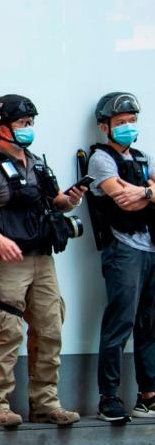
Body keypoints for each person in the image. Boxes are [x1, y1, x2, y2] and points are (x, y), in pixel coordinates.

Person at [0, 95, 84, 428]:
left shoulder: (38, 164)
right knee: (7, 332)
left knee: (50, 329)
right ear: (1, 129)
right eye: (22, 123)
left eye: (31, 123)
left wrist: (69, 200)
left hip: (42, 259)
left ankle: (46, 404)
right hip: (8, 261)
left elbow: (52, 204)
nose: (28, 129)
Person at [85, 91, 155, 423]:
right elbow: (123, 201)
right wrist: (148, 194)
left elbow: (135, 196)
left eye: (132, 121)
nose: (128, 127)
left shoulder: (142, 157)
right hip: (123, 250)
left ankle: (148, 395)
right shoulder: (100, 159)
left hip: (150, 248)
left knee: (150, 324)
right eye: (121, 122)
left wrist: (143, 192)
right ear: (105, 126)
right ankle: (109, 396)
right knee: (120, 323)